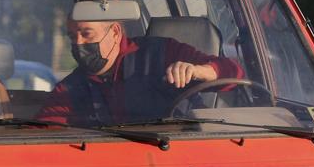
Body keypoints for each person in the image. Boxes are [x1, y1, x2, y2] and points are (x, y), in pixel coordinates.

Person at [36, 16, 244, 126]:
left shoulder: (164, 52)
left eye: (86, 34)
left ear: (115, 32)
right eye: (73, 37)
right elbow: (45, 133)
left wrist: (200, 71)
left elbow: (234, 74)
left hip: (181, 159)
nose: (78, 43)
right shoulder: (72, 86)